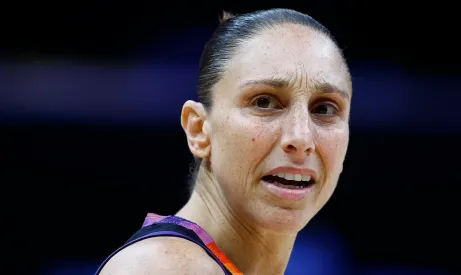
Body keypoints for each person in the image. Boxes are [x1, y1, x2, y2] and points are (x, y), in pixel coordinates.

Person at [96, 8, 351, 275]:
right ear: (199, 130)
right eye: (263, 102)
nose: (301, 138)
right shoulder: (164, 267)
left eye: (324, 109)